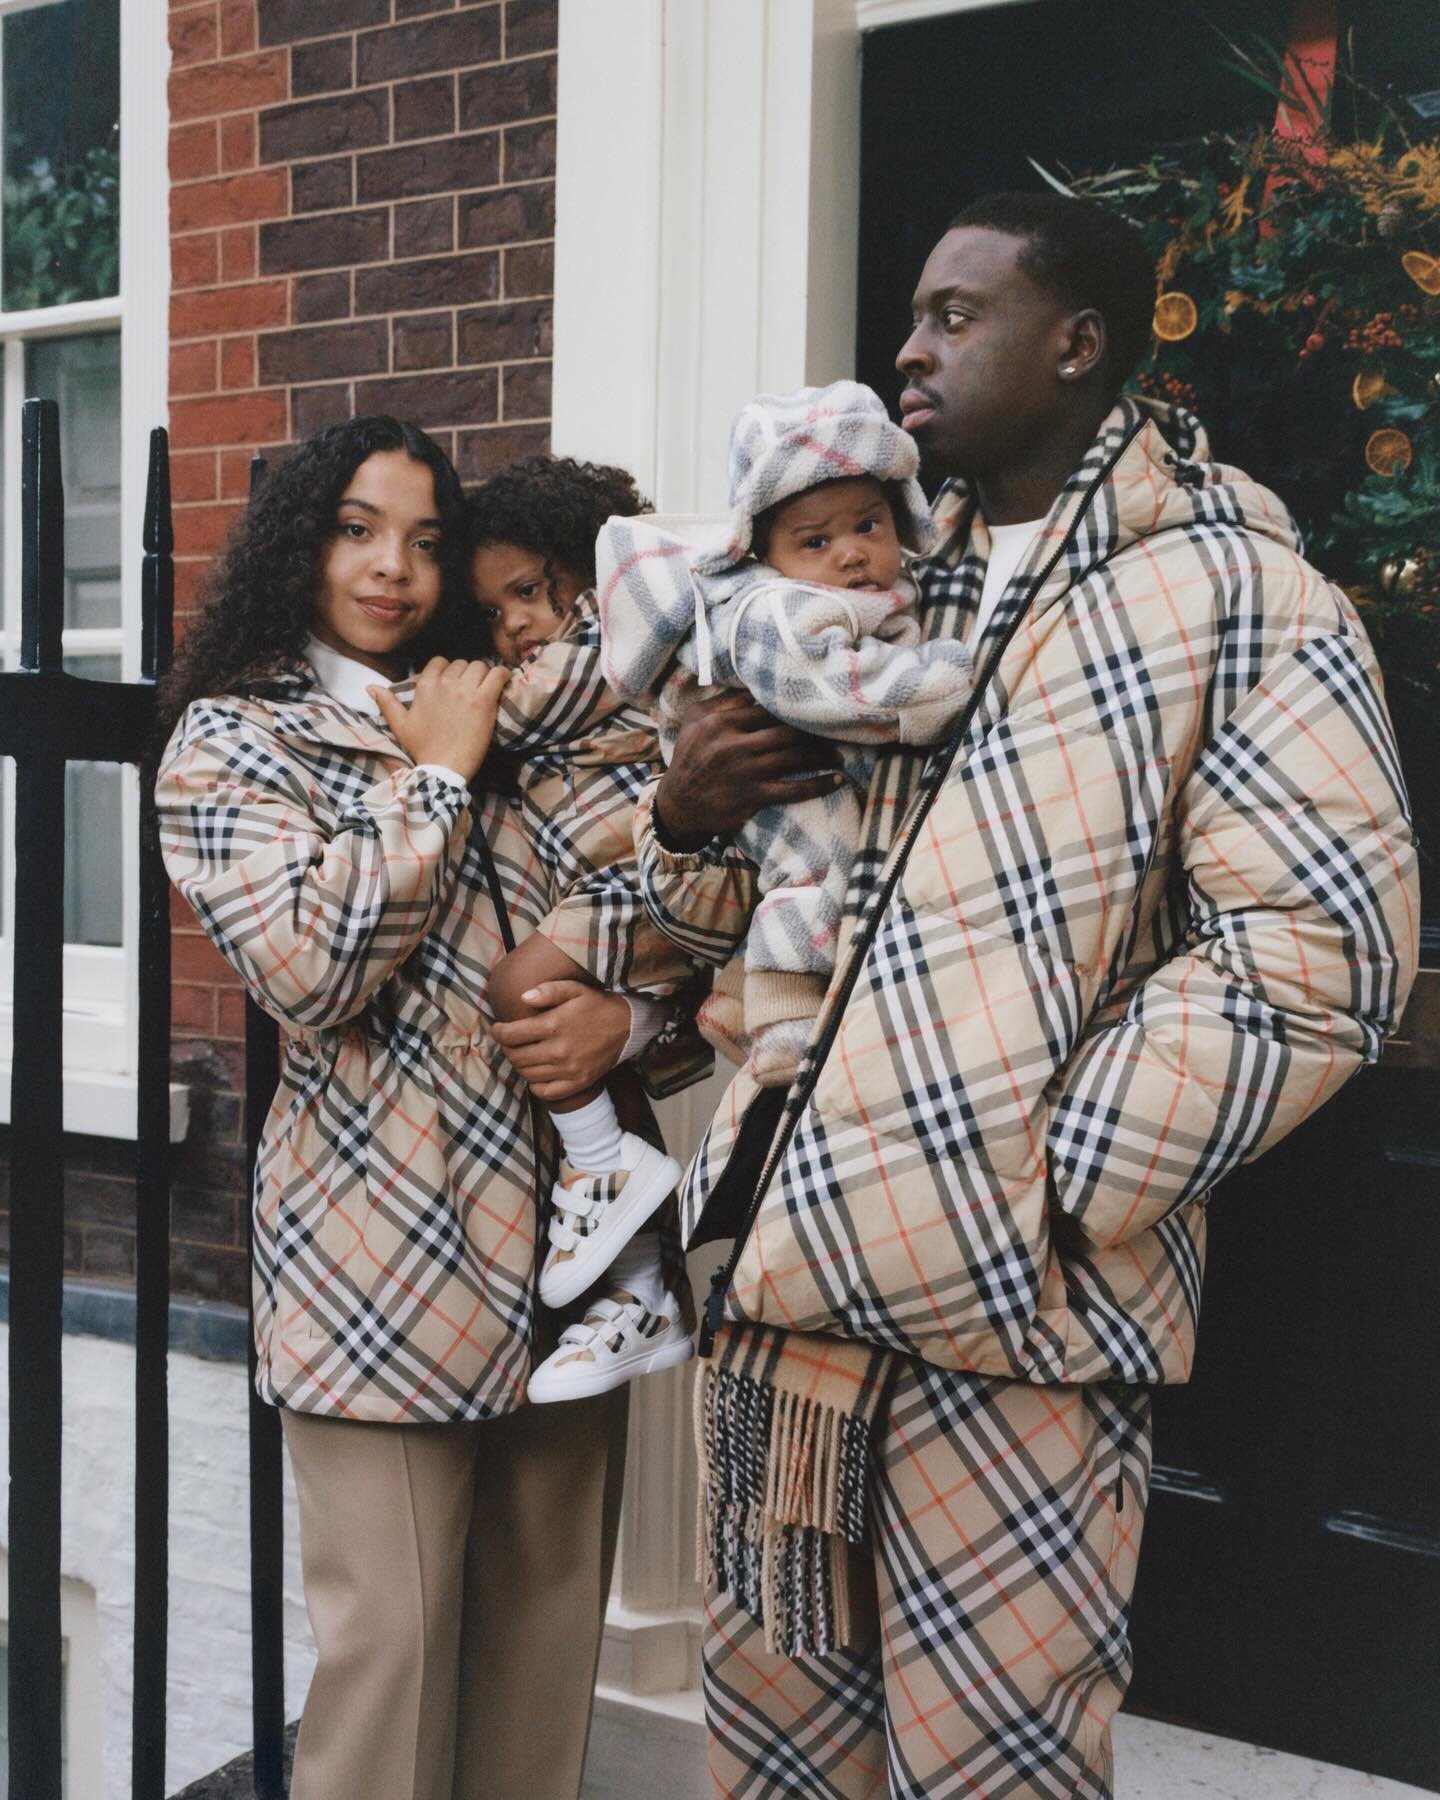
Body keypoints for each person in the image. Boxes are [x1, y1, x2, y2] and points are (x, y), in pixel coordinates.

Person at [637, 193, 1421, 1798]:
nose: (909, 349)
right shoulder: (860, 589)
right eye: (913, 317)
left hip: (1018, 1327)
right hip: (789, 1310)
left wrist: (1052, 1180)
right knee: (778, 1768)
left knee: (992, 1775)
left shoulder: (1238, 596)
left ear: (1079, 343)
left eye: (953, 313)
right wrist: (687, 815)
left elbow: (1327, 944)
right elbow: (728, 921)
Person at [155, 417, 634, 1800]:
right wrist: (433, 779)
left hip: (570, 1242)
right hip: (383, 1266)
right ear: (300, 544)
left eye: (428, 540)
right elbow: (312, 972)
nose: (394, 568)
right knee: (393, 1671)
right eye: (359, 529)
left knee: (546, 1658)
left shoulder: (504, 698)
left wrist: (633, 1017)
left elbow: (636, 915)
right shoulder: (231, 744)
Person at [598, 380, 973, 1088]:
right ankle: (786, 1023)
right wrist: (937, 685)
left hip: (818, 764)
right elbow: (835, 685)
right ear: (765, 551)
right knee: (818, 861)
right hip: (777, 772)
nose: (851, 554)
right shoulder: (773, 608)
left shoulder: (870, 593)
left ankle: (741, 995)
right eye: (816, 540)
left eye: (868, 526)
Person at [455, 455, 701, 1403]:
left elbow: (505, 711)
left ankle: (606, 1174)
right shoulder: (563, 645)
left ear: (586, 573)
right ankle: (645, 1294)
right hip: (612, 888)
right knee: (594, 1066)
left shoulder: (609, 638)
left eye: (526, 593)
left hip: (643, 874)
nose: (513, 626)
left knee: (521, 988)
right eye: (490, 612)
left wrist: (404, 707)